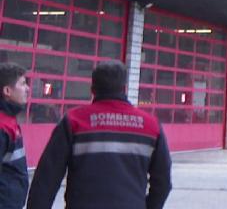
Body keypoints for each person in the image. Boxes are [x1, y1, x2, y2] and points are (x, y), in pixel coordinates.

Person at [27, 61, 172, 209]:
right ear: (124, 88)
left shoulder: (74, 121)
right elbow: (163, 182)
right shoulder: (151, 126)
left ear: (93, 89)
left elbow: (47, 178)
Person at [0, 63, 29, 209]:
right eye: (23, 84)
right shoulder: (2, 125)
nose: (27, 89)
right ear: (7, 90)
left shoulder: (9, 120)